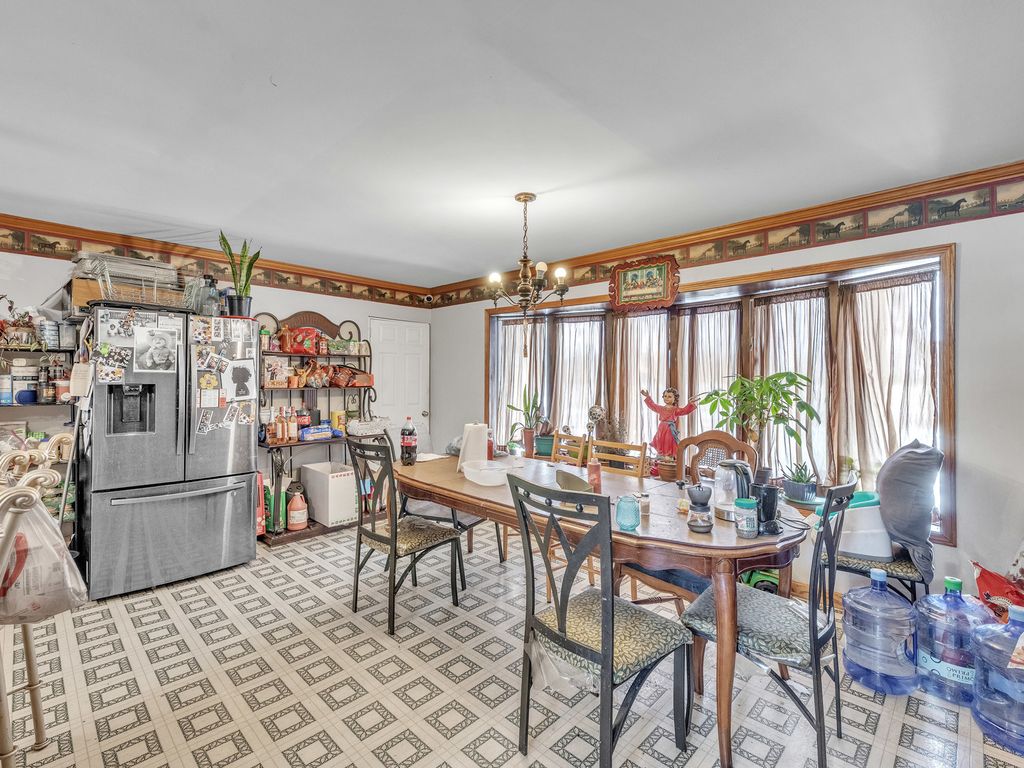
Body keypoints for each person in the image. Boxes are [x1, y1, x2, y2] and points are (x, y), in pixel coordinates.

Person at [640, 386, 699, 457]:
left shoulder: (675, 410)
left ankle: (668, 455)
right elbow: (653, 406)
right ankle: (661, 455)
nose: (666, 398)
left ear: (675, 399)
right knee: (660, 441)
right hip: (661, 429)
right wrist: (648, 397)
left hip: (669, 429)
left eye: (669, 397)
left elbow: (684, 411)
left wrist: (690, 404)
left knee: (668, 441)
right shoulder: (661, 408)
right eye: (665, 396)